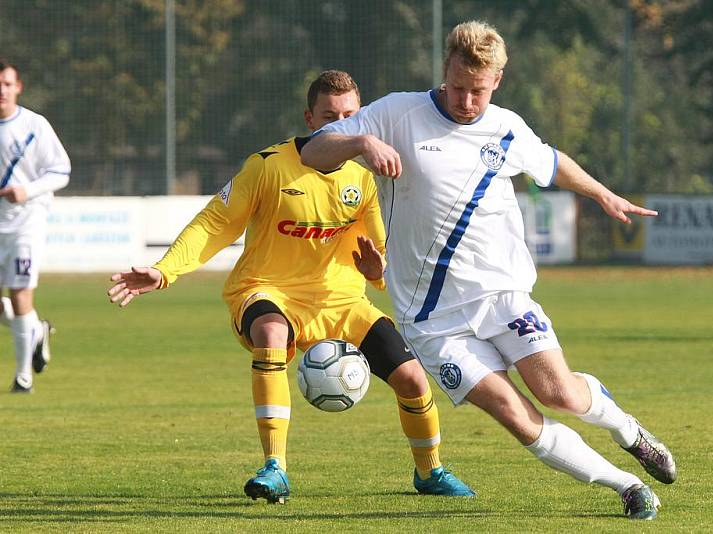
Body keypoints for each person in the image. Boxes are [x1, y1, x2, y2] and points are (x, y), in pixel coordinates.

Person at [300, 22, 676, 520]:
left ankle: (627, 430)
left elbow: (552, 162)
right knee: (514, 414)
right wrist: (361, 145)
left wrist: (601, 193)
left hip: (503, 295)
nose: (466, 101)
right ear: (445, 71)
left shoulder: (506, 127)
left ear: (497, 80)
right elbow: (312, 148)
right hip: (430, 319)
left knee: (558, 393)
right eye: (457, 87)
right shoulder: (395, 113)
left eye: (477, 90)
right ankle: (626, 486)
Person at [107, 70, 473, 503]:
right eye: (329, 115)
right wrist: (165, 270)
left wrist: (377, 267)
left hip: (340, 300)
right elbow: (215, 224)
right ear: (309, 118)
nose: (340, 123)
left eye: (350, 115)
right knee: (271, 334)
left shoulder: (363, 181)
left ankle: (430, 472)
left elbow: (377, 260)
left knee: (412, 378)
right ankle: (275, 466)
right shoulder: (267, 166)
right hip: (266, 290)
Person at [0, 60, 66, 393]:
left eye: (7, 84)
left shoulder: (33, 125)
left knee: (20, 292)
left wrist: (26, 190)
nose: (1, 90)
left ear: (18, 87)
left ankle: (23, 375)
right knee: (11, 304)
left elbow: (61, 171)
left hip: (25, 223)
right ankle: (36, 331)